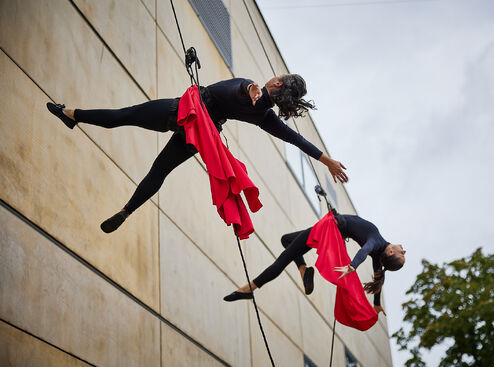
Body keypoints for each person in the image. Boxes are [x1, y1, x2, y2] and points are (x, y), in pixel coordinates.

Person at [46, 74, 348, 233]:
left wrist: (253, 88)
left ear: (277, 83)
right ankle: (127, 210)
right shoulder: (266, 117)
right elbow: (295, 139)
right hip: (200, 136)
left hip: (183, 113)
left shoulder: (252, 88)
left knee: (122, 116)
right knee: (158, 171)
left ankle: (72, 114)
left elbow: (244, 87)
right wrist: (327, 160)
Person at [223, 214, 405, 315]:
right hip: (333, 231)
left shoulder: (375, 240)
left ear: (390, 252)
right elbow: (379, 275)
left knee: (284, 259)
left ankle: (250, 288)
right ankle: (304, 271)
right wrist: (376, 303)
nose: (403, 250)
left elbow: (364, 250)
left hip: (329, 228)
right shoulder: (379, 257)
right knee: (287, 240)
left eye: (401, 253)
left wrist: (353, 266)